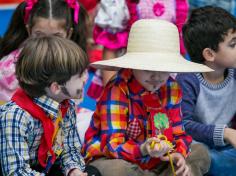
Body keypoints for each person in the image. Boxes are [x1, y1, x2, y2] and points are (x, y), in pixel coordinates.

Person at [82, 19, 212, 176]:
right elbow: (112, 146)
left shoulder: (172, 87)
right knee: (118, 170)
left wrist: (178, 152)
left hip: (156, 161)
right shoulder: (117, 88)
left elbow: (178, 133)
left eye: (164, 70)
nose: (156, 76)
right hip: (115, 159)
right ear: (133, 64)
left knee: (200, 152)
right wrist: (143, 149)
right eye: (148, 68)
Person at [0, 36, 101, 176]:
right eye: (80, 75)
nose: (86, 78)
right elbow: (16, 172)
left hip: (43, 167)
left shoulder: (67, 107)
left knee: (93, 172)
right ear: (55, 88)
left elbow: (69, 149)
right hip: (16, 170)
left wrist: (74, 170)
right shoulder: (16, 115)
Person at [176, 6, 236, 175]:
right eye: (233, 44)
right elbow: (183, 124)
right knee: (202, 158)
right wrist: (225, 132)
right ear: (209, 54)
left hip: (226, 147)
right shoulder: (188, 80)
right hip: (196, 147)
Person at [0, 0, 88, 103]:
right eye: (39, 35)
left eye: (56, 36)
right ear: (29, 30)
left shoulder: (74, 63)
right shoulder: (12, 67)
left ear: (69, 34)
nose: (48, 44)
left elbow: (75, 100)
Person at [93, 0, 189, 85]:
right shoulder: (120, 3)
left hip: (164, 73)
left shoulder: (178, 3)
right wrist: (110, 86)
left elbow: (178, 44)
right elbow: (111, 45)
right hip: (129, 72)